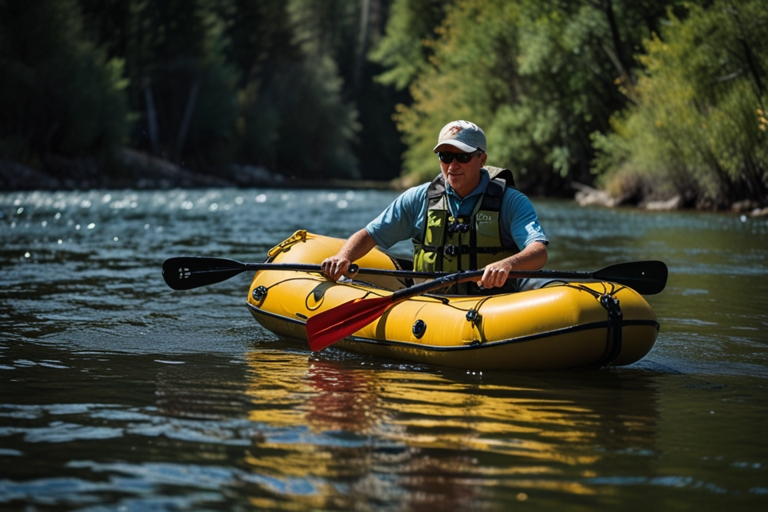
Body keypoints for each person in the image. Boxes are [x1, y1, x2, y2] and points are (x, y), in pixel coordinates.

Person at [321, 120, 548, 293]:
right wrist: (344, 256)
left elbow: (538, 251)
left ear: (481, 160)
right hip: (431, 305)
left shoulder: (511, 201)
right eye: (446, 156)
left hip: (492, 304)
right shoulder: (419, 198)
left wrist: (507, 264)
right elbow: (369, 235)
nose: (453, 165)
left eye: (463, 157)